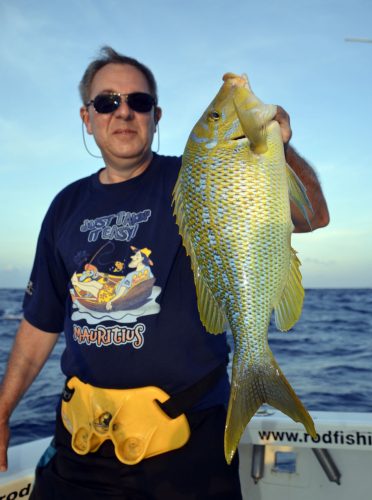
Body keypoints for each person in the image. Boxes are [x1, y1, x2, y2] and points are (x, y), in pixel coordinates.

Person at [0, 46, 329, 499]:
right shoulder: (65, 206)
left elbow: (313, 218)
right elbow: (41, 320)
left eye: (138, 102)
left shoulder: (195, 177)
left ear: (156, 116)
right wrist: (2, 410)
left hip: (188, 448)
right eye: (107, 102)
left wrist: (279, 148)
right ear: (87, 116)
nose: (123, 113)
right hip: (80, 447)